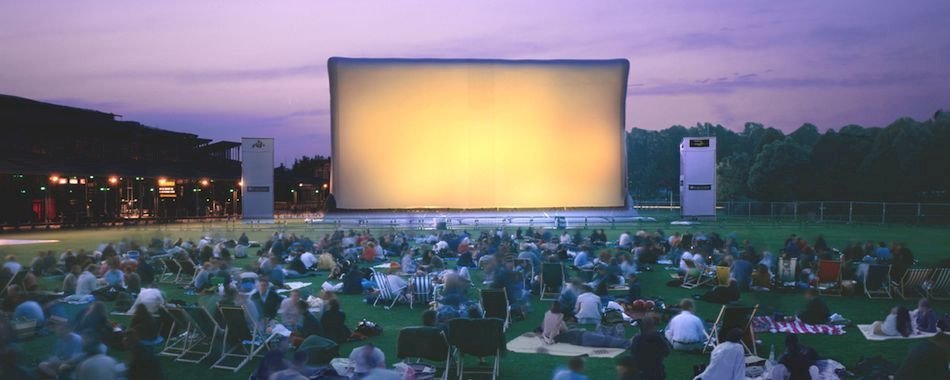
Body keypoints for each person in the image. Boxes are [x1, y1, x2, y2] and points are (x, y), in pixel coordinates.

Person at [542, 301, 630, 348]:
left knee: (605, 339)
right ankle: (629, 343)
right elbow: (563, 329)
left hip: (582, 337)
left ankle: (627, 342)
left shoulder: (548, 333)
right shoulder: (557, 323)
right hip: (582, 337)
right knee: (606, 340)